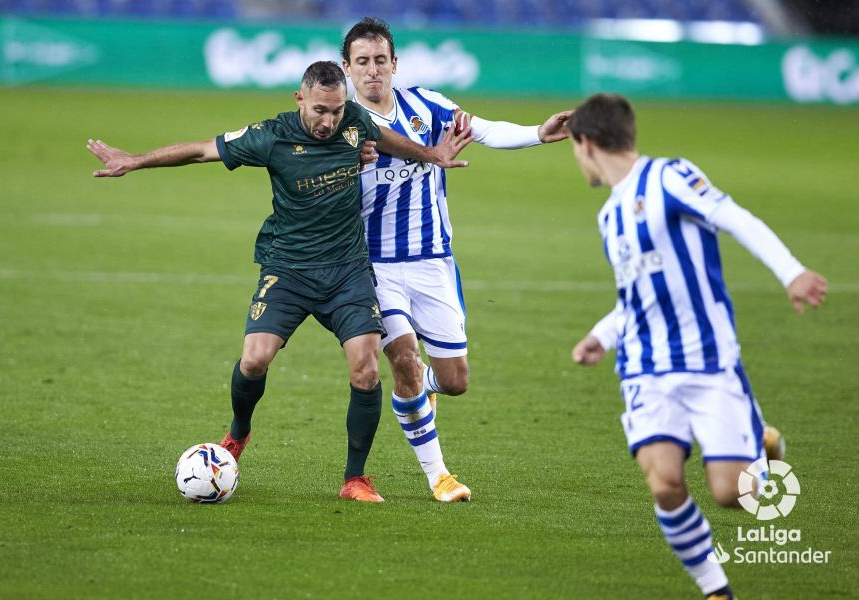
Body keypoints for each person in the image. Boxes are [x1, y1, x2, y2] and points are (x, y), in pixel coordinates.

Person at [87, 60, 472, 503]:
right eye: (320, 110)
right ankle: (238, 433)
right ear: (300, 99)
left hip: (347, 270)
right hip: (288, 268)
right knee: (254, 360)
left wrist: (432, 155)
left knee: (365, 369)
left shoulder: (354, 119)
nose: (329, 121)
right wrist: (133, 161)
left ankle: (355, 479)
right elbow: (199, 151)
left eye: (336, 110)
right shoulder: (270, 135)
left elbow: (388, 140)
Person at [567, 93, 827, 599]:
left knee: (733, 493)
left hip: (707, 363)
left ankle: (762, 441)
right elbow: (638, 295)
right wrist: (604, 334)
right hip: (645, 368)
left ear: (588, 142)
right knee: (665, 484)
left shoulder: (670, 177)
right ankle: (717, 591)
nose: (577, 161)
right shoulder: (608, 218)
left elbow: (737, 219)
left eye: (575, 149)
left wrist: (791, 271)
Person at [341, 17, 573, 502]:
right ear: (347, 68)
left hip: (432, 263)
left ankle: (420, 385)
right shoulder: (339, 128)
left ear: (394, 63)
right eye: (362, 62)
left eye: (380, 60)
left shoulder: (429, 106)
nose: (372, 71)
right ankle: (439, 476)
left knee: (455, 381)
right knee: (403, 359)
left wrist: (537, 132)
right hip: (375, 267)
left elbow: (484, 130)